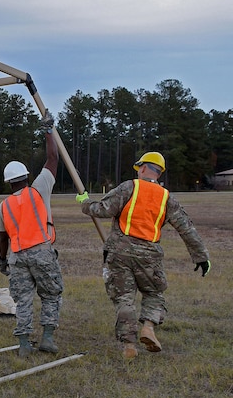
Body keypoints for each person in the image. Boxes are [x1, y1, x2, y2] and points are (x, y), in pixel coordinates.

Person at [78, 151, 211, 360]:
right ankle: (148, 327)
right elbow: (186, 229)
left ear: (143, 168)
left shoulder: (129, 187)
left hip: (119, 252)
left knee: (124, 298)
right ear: (159, 173)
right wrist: (201, 257)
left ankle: (129, 344)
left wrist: (84, 202)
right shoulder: (167, 198)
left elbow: (102, 209)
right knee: (154, 294)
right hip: (150, 255)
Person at [0, 112, 63, 358]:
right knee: (51, 294)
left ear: (8, 182)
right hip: (42, 253)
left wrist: (3, 261)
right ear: (26, 177)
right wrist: (47, 130)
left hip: (17, 257)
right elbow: (53, 158)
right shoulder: (40, 188)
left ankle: (24, 344)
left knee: (22, 300)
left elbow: (2, 238)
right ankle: (47, 339)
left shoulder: (4, 205)